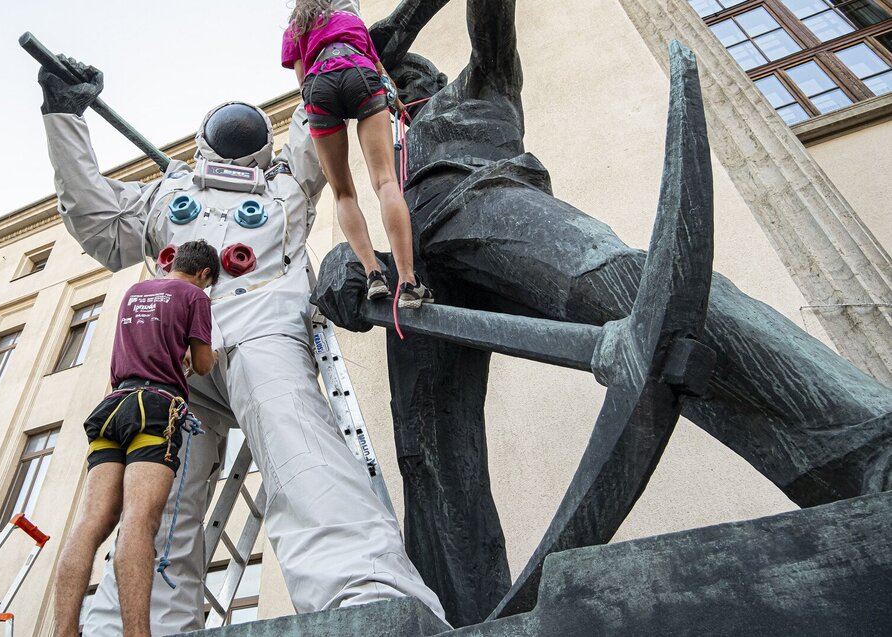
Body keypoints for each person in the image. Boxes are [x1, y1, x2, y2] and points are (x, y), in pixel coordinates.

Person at [311, 0, 892, 626]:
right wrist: (343, 267)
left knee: (645, 292)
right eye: (392, 83)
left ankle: (865, 444)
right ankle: (465, 612)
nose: (400, 86)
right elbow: (346, 208)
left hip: (492, 210)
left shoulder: (482, 83)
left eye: (408, 75)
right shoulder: (386, 155)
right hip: (419, 277)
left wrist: (406, 21)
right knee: (426, 449)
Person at [35, 2, 447, 633]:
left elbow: (320, 120)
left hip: (262, 336)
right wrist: (64, 114)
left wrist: (345, 55)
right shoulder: (166, 194)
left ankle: (365, 595)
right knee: (159, 508)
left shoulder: (286, 182)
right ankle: (127, 627)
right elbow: (96, 220)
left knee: (300, 453)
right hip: (170, 366)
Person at [53, 241, 219, 637]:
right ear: (205, 274)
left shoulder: (135, 291)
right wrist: (190, 359)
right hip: (155, 406)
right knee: (138, 521)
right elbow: (202, 362)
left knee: (91, 522)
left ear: (173, 263)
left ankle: (62, 630)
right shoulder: (195, 295)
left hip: (112, 405)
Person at [282, 0, 433, 309]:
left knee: (343, 194)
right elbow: (379, 70)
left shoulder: (295, 29)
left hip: (318, 87)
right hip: (359, 74)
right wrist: (398, 105)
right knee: (385, 182)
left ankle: (373, 274)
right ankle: (407, 281)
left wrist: (323, 106)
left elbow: (301, 81)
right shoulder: (348, 19)